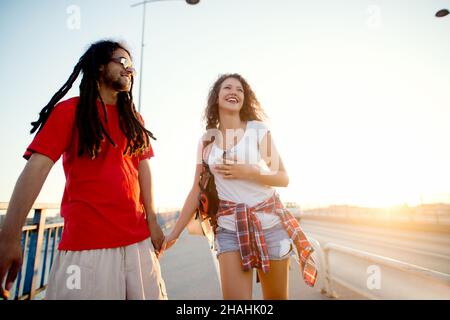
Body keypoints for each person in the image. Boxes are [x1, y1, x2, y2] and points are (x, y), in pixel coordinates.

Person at [0, 40, 167, 300]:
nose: (129, 70)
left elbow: (144, 170)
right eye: (123, 62)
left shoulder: (134, 119)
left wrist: (153, 223)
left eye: (132, 66)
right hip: (88, 249)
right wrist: (9, 237)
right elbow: (36, 168)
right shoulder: (69, 111)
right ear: (100, 66)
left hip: (138, 244)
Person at [161, 73, 316, 300]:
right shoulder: (207, 141)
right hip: (229, 229)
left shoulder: (257, 130)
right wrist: (174, 233)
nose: (234, 92)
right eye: (227, 88)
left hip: (271, 225)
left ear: (245, 99)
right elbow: (196, 189)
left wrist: (250, 171)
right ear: (216, 97)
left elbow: (283, 178)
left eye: (240, 90)